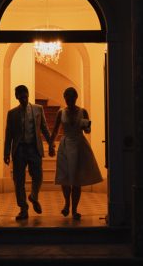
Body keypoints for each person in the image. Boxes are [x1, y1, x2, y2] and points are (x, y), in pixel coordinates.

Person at [49, 86, 103, 219]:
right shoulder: (61, 112)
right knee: (64, 177)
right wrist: (51, 144)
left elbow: (87, 131)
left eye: (71, 99)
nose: (69, 101)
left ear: (76, 98)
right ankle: (67, 203)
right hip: (65, 145)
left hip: (79, 145)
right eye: (67, 99)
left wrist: (86, 125)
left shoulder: (83, 111)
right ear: (64, 99)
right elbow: (55, 130)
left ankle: (74, 209)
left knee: (77, 179)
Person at [3, 84, 55, 220]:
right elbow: (8, 134)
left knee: (38, 175)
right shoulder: (12, 113)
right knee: (18, 180)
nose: (24, 99)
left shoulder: (38, 109)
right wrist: (6, 152)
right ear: (17, 97)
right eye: (21, 98)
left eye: (26, 97)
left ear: (28, 95)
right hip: (19, 149)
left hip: (34, 148)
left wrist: (51, 144)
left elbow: (44, 128)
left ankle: (34, 196)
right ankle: (23, 208)